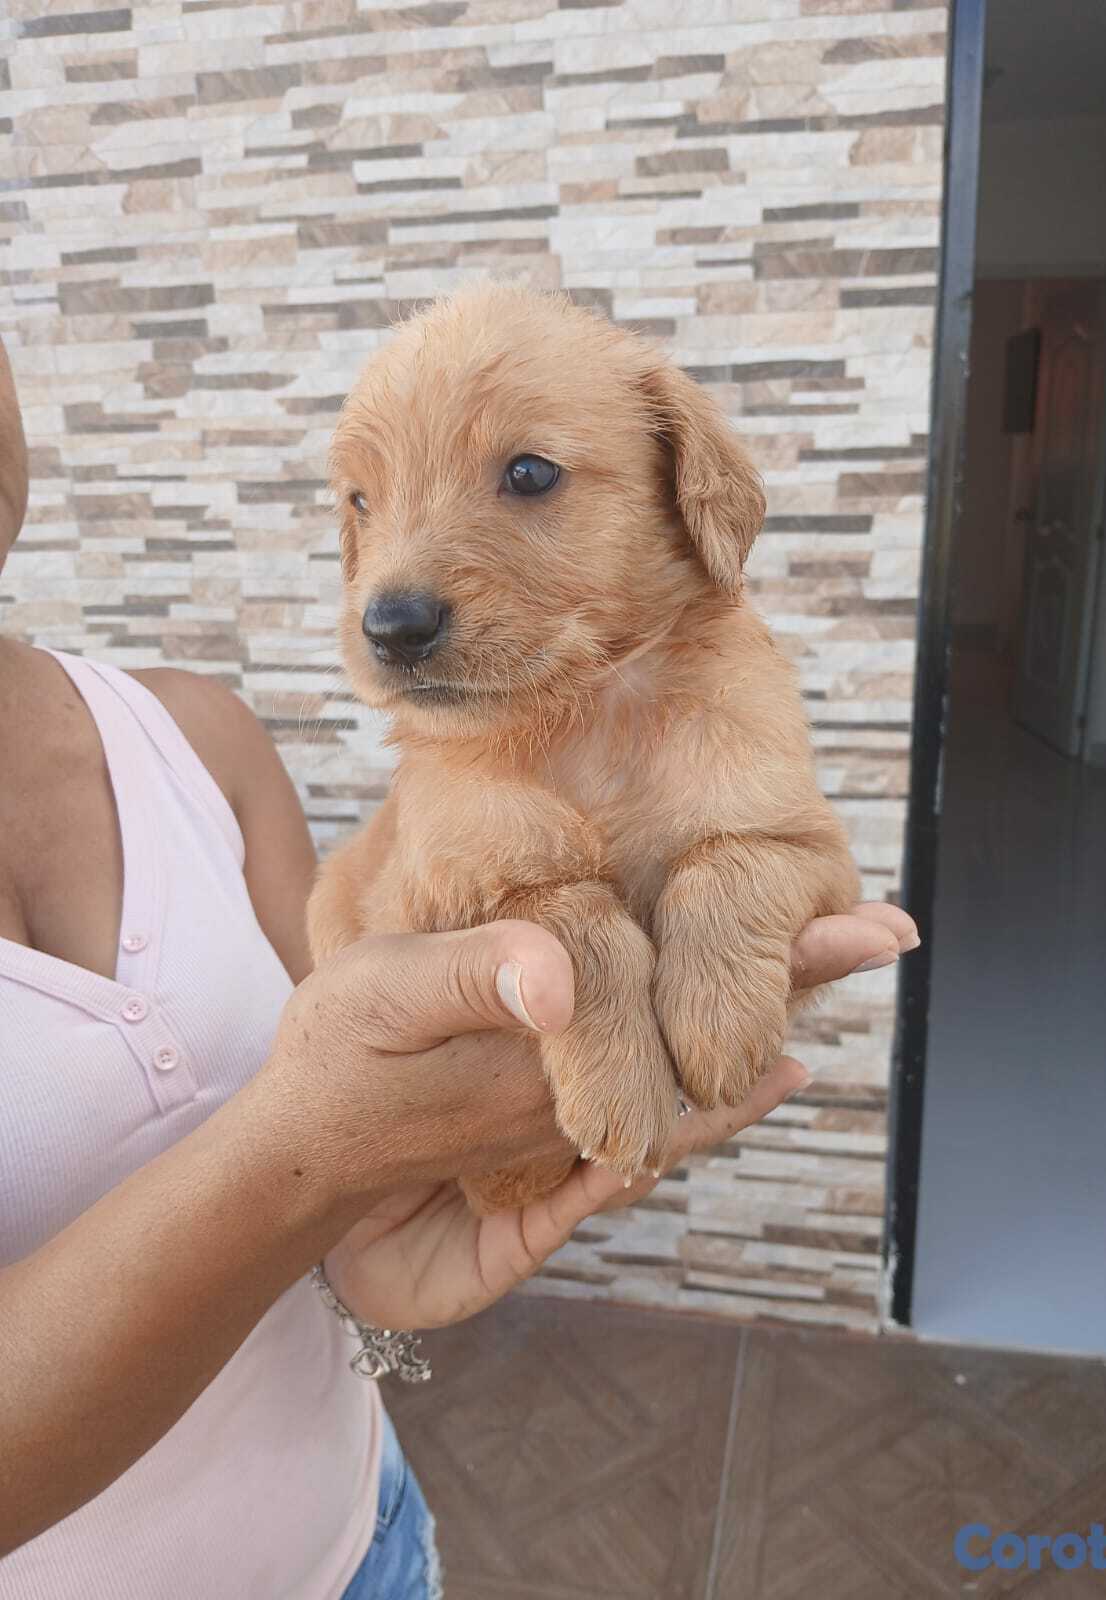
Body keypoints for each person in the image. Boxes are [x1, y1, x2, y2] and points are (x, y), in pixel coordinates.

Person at [0, 336, 918, 1599]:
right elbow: (402, 953)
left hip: (372, 1541)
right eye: (365, 503)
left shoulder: (197, 737)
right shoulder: (457, 751)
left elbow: (375, 1036)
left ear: (691, 487)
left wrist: (369, 1241)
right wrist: (323, 1153)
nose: (394, 581)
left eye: (529, 476)